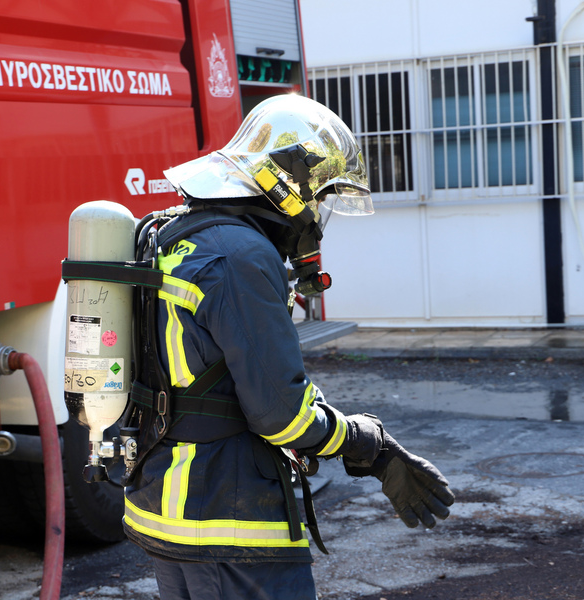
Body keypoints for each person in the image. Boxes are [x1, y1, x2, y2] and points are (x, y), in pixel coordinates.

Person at [122, 94, 454, 600]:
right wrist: (368, 442)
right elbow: (283, 417)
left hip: (165, 512)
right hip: (227, 525)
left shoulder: (178, 236)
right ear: (291, 190)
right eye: (320, 198)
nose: (318, 217)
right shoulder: (242, 257)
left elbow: (224, 383)